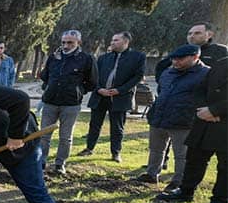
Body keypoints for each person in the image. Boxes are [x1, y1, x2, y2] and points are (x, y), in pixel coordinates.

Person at [154, 40, 227, 203]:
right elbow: (200, 89)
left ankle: (219, 201)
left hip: (224, 123)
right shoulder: (222, 63)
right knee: (194, 159)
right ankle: (185, 191)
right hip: (204, 121)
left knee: (225, 166)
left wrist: (215, 111)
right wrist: (203, 109)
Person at [134, 44, 209, 190]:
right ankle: (151, 174)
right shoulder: (168, 72)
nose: (176, 62)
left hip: (184, 120)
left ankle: (179, 181)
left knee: (182, 154)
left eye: (181, 59)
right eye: (174, 59)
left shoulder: (205, 74)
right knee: (156, 148)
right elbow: (162, 91)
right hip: (160, 116)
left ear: (195, 57)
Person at [79, 31, 146, 162]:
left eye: (116, 40)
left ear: (125, 42)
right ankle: (89, 148)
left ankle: (116, 153)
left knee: (117, 127)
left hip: (120, 97)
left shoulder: (138, 57)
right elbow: (94, 76)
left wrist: (120, 90)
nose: (112, 42)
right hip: (100, 96)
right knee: (94, 125)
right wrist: (99, 89)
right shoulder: (104, 57)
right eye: (112, 40)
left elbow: (137, 77)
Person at [39, 30, 97, 174]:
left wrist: (78, 91)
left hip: (71, 104)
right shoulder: (53, 57)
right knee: (44, 135)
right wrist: (48, 89)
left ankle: (60, 164)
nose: (66, 45)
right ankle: (40, 162)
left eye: (70, 42)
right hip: (50, 101)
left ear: (78, 42)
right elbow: (45, 76)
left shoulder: (86, 59)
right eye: (63, 42)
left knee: (65, 137)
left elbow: (93, 82)